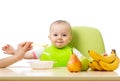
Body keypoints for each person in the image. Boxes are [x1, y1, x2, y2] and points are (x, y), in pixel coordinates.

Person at [2, 20, 82, 67]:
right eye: (55, 35)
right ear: (50, 38)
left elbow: (83, 61)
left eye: (64, 35)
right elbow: (27, 55)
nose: (59, 37)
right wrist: (14, 52)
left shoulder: (73, 51)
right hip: (46, 77)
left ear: (70, 38)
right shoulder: (44, 50)